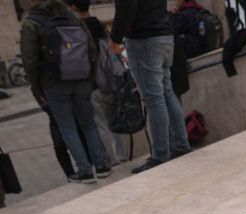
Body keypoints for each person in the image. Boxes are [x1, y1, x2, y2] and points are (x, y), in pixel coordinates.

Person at [20, 0, 112, 184]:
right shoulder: (71, 15)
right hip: (81, 78)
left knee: (67, 127)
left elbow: (30, 61)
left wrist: (37, 88)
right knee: (88, 123)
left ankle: (85, 171)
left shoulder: (32, 23)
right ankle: (101, 165)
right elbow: (91, 48)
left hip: (53, 83)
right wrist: (89, 76)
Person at [110, 0, 192, 174]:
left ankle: (160, 154)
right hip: (164, 35)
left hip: (144, 40)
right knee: (167, 91)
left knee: (154, 99)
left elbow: (126, 8)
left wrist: (115, 39)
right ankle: (181, 144)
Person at [65, 0, 128, 165]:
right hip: (110, 79)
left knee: (100, 124)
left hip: (92, 82)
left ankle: (112, 159)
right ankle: (122, 156)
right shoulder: (100, 24)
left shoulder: (77, 29)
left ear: (73, 7)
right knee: (114, 119)